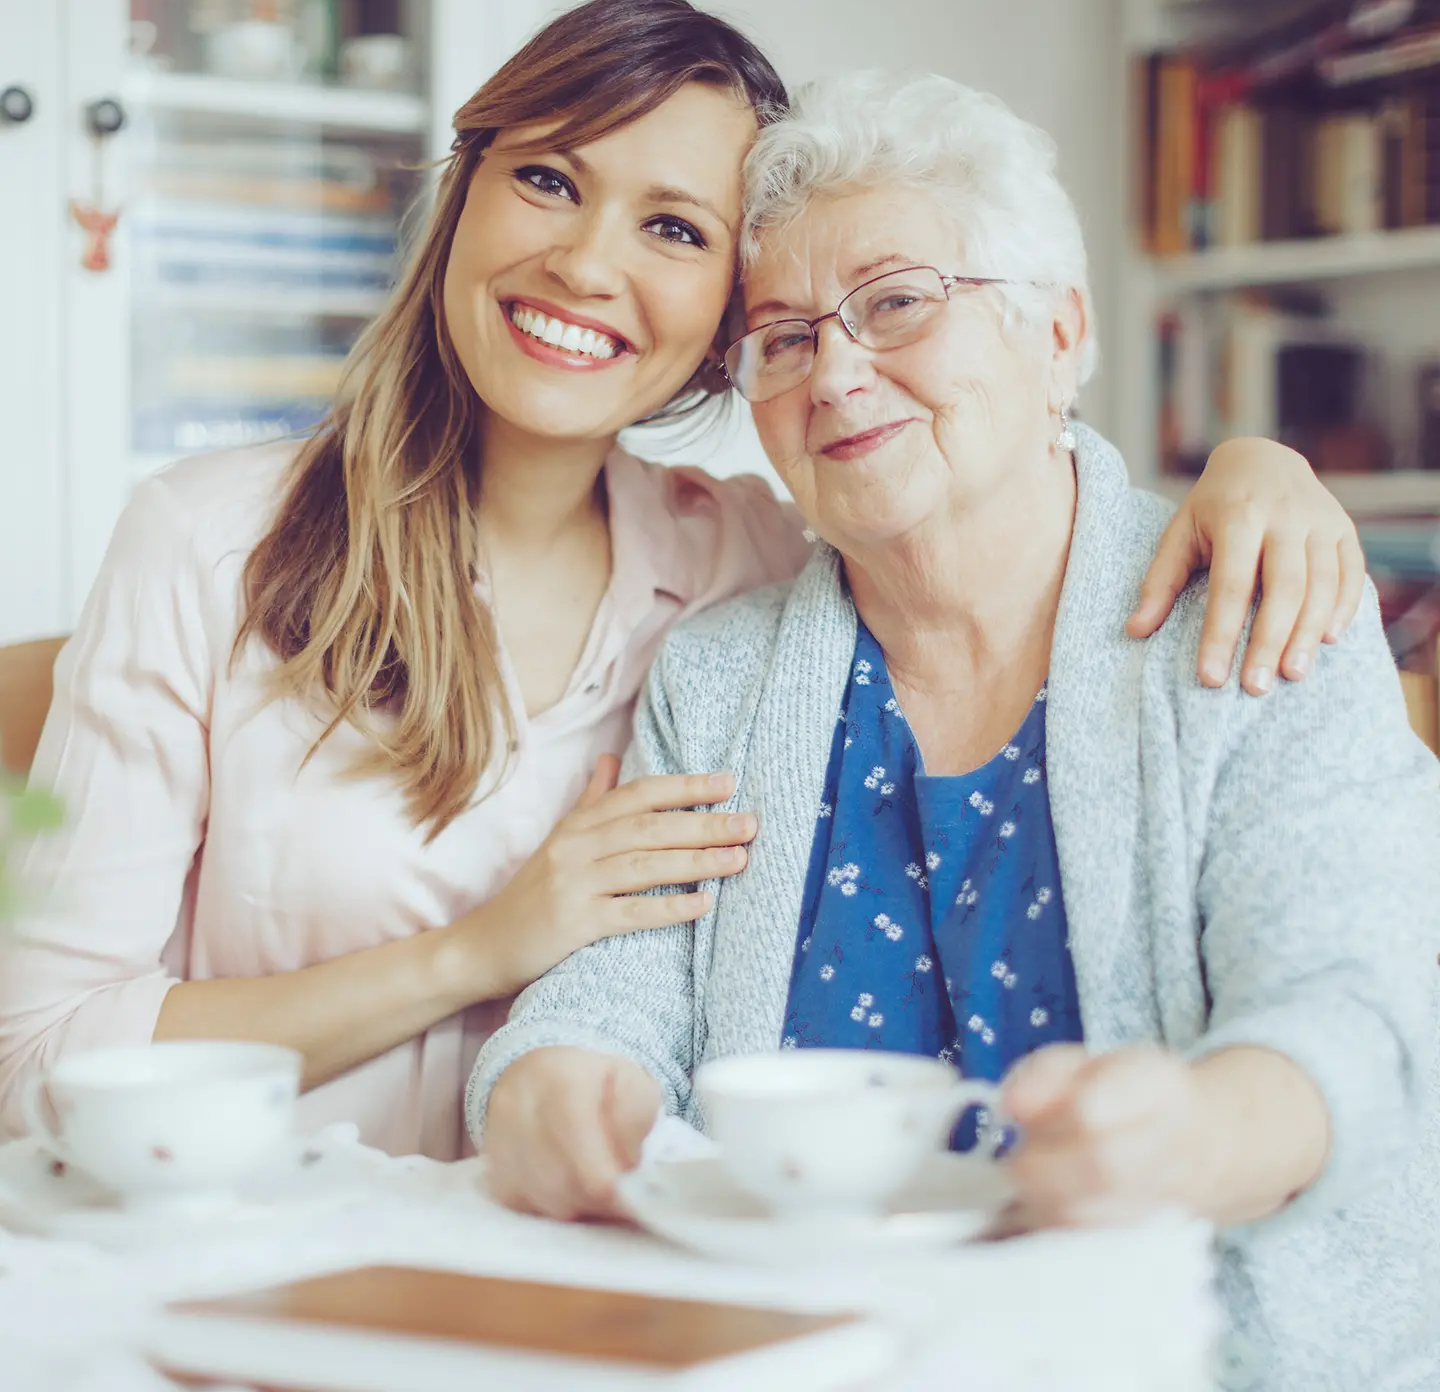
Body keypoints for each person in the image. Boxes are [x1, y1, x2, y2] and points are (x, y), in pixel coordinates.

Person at [1, 0, 1366, 1163]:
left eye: (674, 229)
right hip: (253, 1251)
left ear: (725, 327)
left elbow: (978, 486)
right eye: (547, 178)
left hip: (574, 1282)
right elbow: (34, 1055)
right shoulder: (203, 542)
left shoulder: (758, 569)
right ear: (462, 191)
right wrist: (477, 951)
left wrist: (1259, 468)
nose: (586, 263)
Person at [469, 71, 1440, 1390]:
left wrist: (1195, 1136)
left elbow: (1361, 1019)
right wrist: (544, 1084)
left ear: (1059, 334)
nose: (839, 373)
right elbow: (617, 994)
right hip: (802, 1357)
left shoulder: (1263, 608)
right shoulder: (719, 672)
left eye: (899, 302)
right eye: (788, 336)